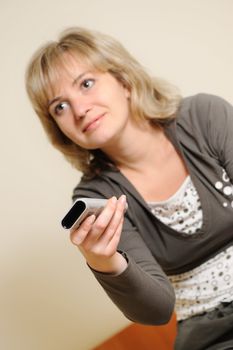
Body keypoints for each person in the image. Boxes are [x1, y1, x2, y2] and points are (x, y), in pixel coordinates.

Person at [25, 27, 233, 350]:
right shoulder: (96, 196)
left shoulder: (204, 117)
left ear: (123, 80)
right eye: (60, 107)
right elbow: (158, 310)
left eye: (86, 84)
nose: (79, 110)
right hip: (210, 335)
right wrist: (106, 263)